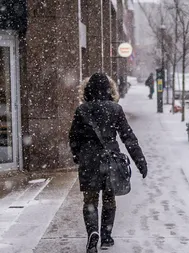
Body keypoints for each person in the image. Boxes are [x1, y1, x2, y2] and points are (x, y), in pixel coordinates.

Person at [69, 73, 148, 253]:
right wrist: (140, 161)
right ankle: (106, 236)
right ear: (109, 89)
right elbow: (128, 137)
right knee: (109, 198)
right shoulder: (115, 109)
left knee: (90, 200)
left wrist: (77, 155)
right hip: (110, 159)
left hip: (89, 161)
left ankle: (93, 232)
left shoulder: (82, 110)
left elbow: (73, 137)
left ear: (87, 90)